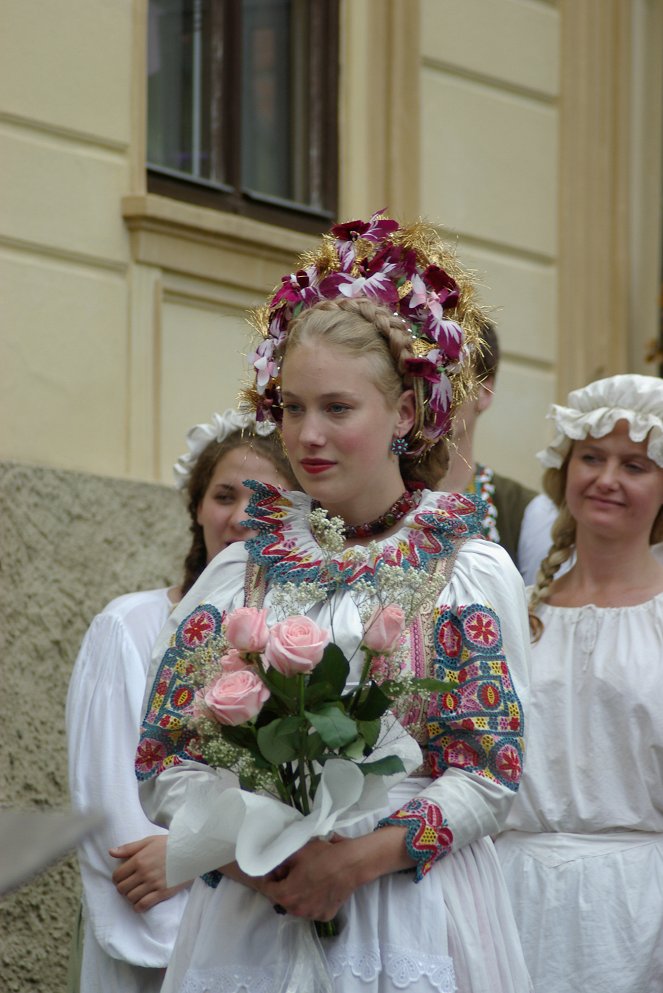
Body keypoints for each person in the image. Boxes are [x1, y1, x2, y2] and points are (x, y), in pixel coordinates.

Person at [137, 212, 533, 993]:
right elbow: (164, 760)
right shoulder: (240, 574)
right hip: (255, 916)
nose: (307, 435)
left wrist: (350, 862)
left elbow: (490, 771)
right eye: (290, 407)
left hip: (407, 909)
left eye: (336, 408)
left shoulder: (467, 572)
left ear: (407, 415)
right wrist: (262, 856)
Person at [66, 409, 296, 993]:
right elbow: (110, 794)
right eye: (223, 495)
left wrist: (196, 852)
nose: (241, 517)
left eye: (263, 499)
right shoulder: (129, 626)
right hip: (159, 923)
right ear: (197, 506)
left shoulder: (302, 643)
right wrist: (184, 868)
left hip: (260, 923)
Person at [495, 374, 663, 992]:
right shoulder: (513, 609)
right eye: (591, 457)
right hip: (509, 897)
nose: (607, 478)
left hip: (637, 915)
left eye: (636, 464)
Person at [437, 319, 545, 580]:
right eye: (417, 372)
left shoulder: (528, 513)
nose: (432, 388)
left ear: (485, 390)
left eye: (451, 373)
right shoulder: (358, 504)